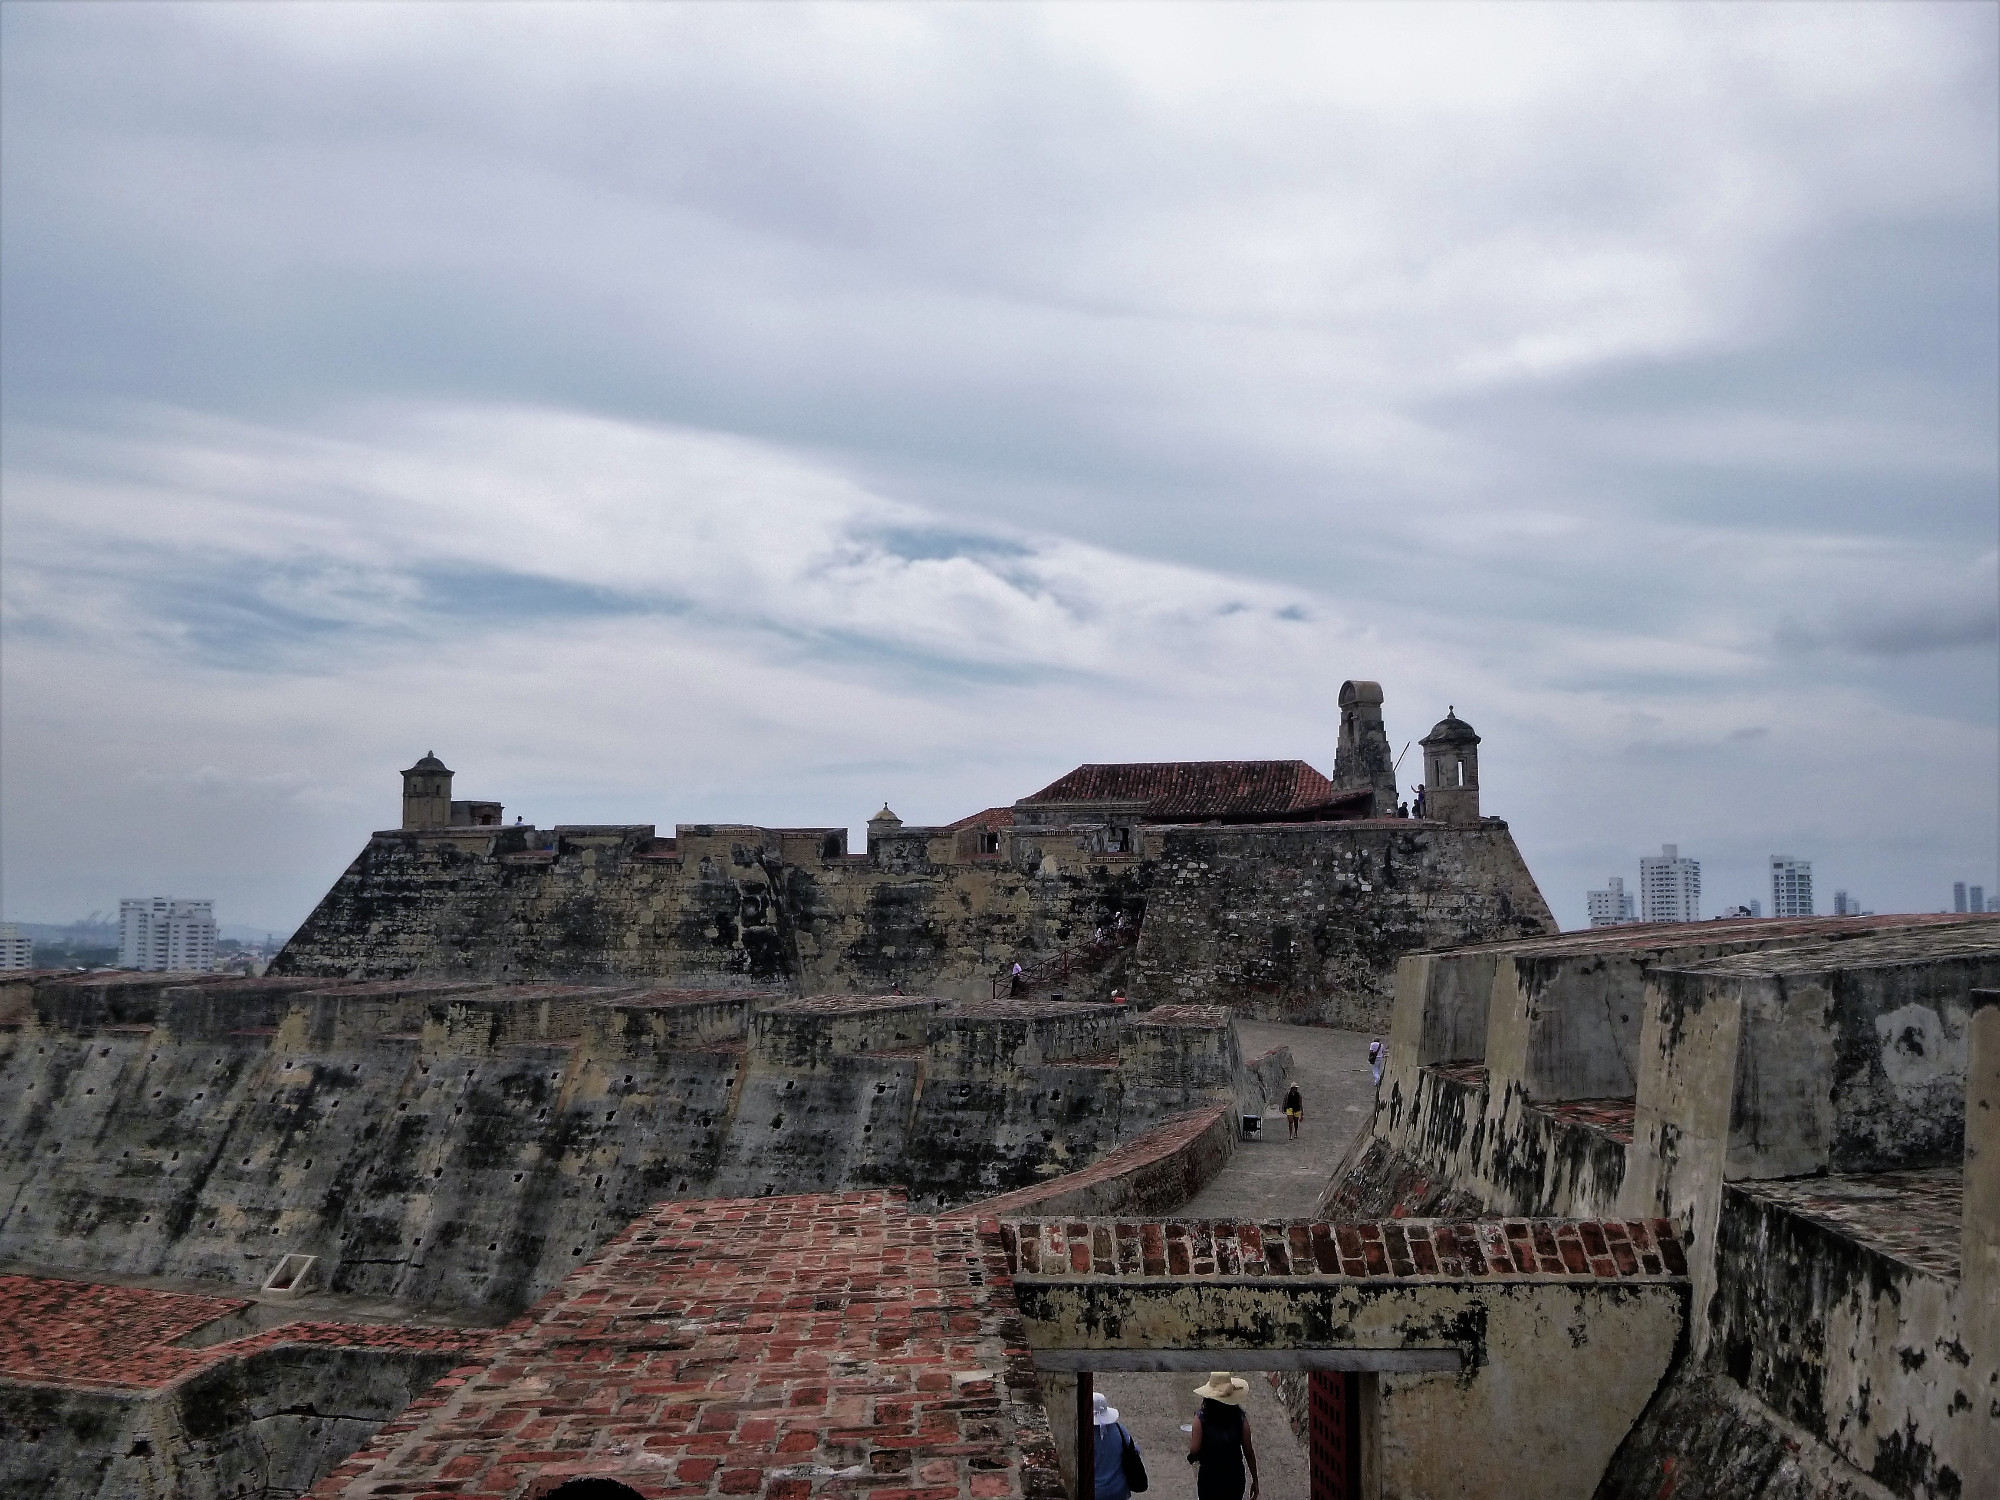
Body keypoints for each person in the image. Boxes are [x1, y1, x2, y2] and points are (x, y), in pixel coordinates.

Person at [1186, 1373, 1257, 1500]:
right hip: (1234, 1475)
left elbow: (1194, 1449)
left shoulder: (1201, 1417)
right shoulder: (1240, 1417)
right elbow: (1248, 1450)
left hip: (1210, 1477)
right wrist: (1255, 1479)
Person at [1091, 1391, 1141, 1500]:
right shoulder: (1119, 1429)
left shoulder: (1083, 1436)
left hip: (1095, 1492)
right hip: (1118, 1490)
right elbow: (1134, 1449)